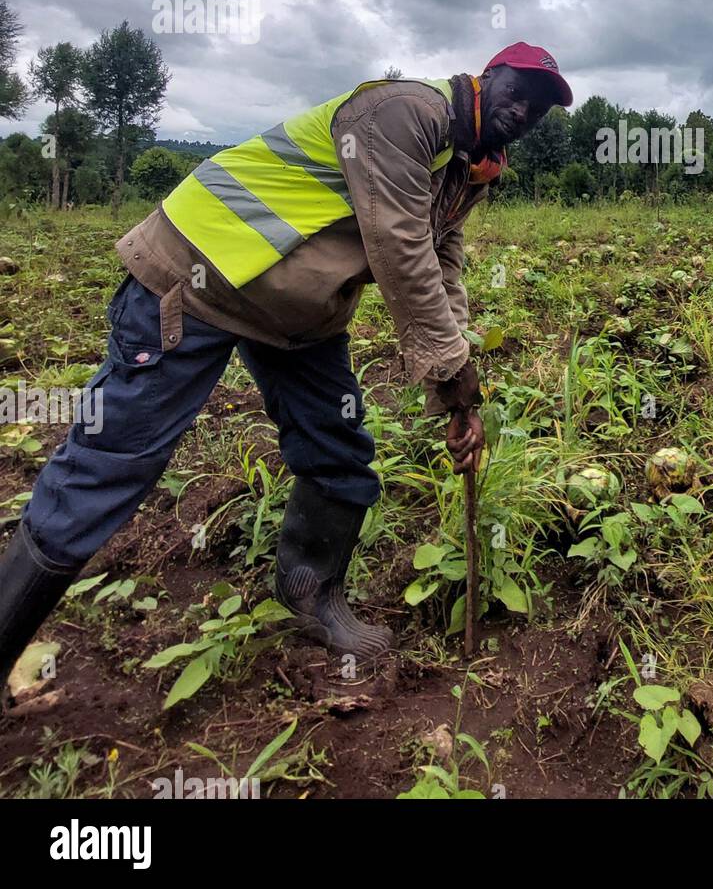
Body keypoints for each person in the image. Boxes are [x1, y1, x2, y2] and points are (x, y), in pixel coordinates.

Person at [0, 42, 573, 695]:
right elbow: (400, 249)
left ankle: (310, 598)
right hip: (199, 277)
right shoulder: (404, 112)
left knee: (338, 452)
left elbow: (443, 263)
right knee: (109, 464)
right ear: (487, 76)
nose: (527, 110)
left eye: (544, 107)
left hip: (291, 315)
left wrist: (458, 395)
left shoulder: (466, 169)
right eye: (520, 89)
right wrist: (450, 372)